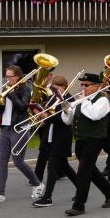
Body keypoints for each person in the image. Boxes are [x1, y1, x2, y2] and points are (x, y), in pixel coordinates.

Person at [60, 73, 110, 216]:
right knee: (90, 170)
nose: (83, 87)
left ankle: (79, 205)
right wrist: (66, 111)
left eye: (87, 85)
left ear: (97, 86)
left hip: (95, 139)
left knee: (83, 172)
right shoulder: (81, 100)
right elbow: (67, 120)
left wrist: (83, 101)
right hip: (81, 139)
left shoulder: (102, 100)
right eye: (82, 85)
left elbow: (94, 115)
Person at [0, 65, 44, 204]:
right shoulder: (6, 89)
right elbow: (1, 111)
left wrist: (10, 94)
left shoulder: (26, 89)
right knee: (2, 161)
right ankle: (0, 193)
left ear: (18, 76)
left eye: (10, 76)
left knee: (18, 160)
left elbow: (23, 107)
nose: (8, 79)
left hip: (19, 127)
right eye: (6, 76)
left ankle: (37, 184)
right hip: (5, 128)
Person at [32, 75, 78, 207]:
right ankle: (81, 188)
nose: (53, 90)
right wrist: (41, 117)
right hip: (50, 135)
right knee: (65, 166)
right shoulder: (53, 97)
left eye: (56, 88)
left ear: (63, 86)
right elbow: (48, 113)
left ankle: (47, 197)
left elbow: (64, 120)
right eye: (53, 88)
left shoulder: (68, 99)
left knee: (52, 166)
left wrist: (46, 116)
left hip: (62, 136)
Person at [34, 69, 55, 183]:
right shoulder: (40, 89)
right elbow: (35, 103)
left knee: (44, 149)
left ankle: (37, 176)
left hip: (49, 122)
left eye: (44, 76)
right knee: (46, 149)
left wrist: (44, 119)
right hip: (42, 121)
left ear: (50, 76)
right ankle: (60, 172)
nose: (42, 79)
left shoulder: (53, 90)